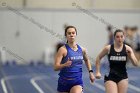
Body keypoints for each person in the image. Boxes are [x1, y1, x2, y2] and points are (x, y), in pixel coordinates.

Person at [54, 25, 95, 93]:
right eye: (69, 33)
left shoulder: (82, 49)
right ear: (66, 35)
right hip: (64, 82)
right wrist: (64, 65)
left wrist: (91, 72)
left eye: (73, 33)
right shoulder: (62, 50)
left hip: (77, 82)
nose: (71, 35)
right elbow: (55, 67)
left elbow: (86, 60)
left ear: (76, 34)